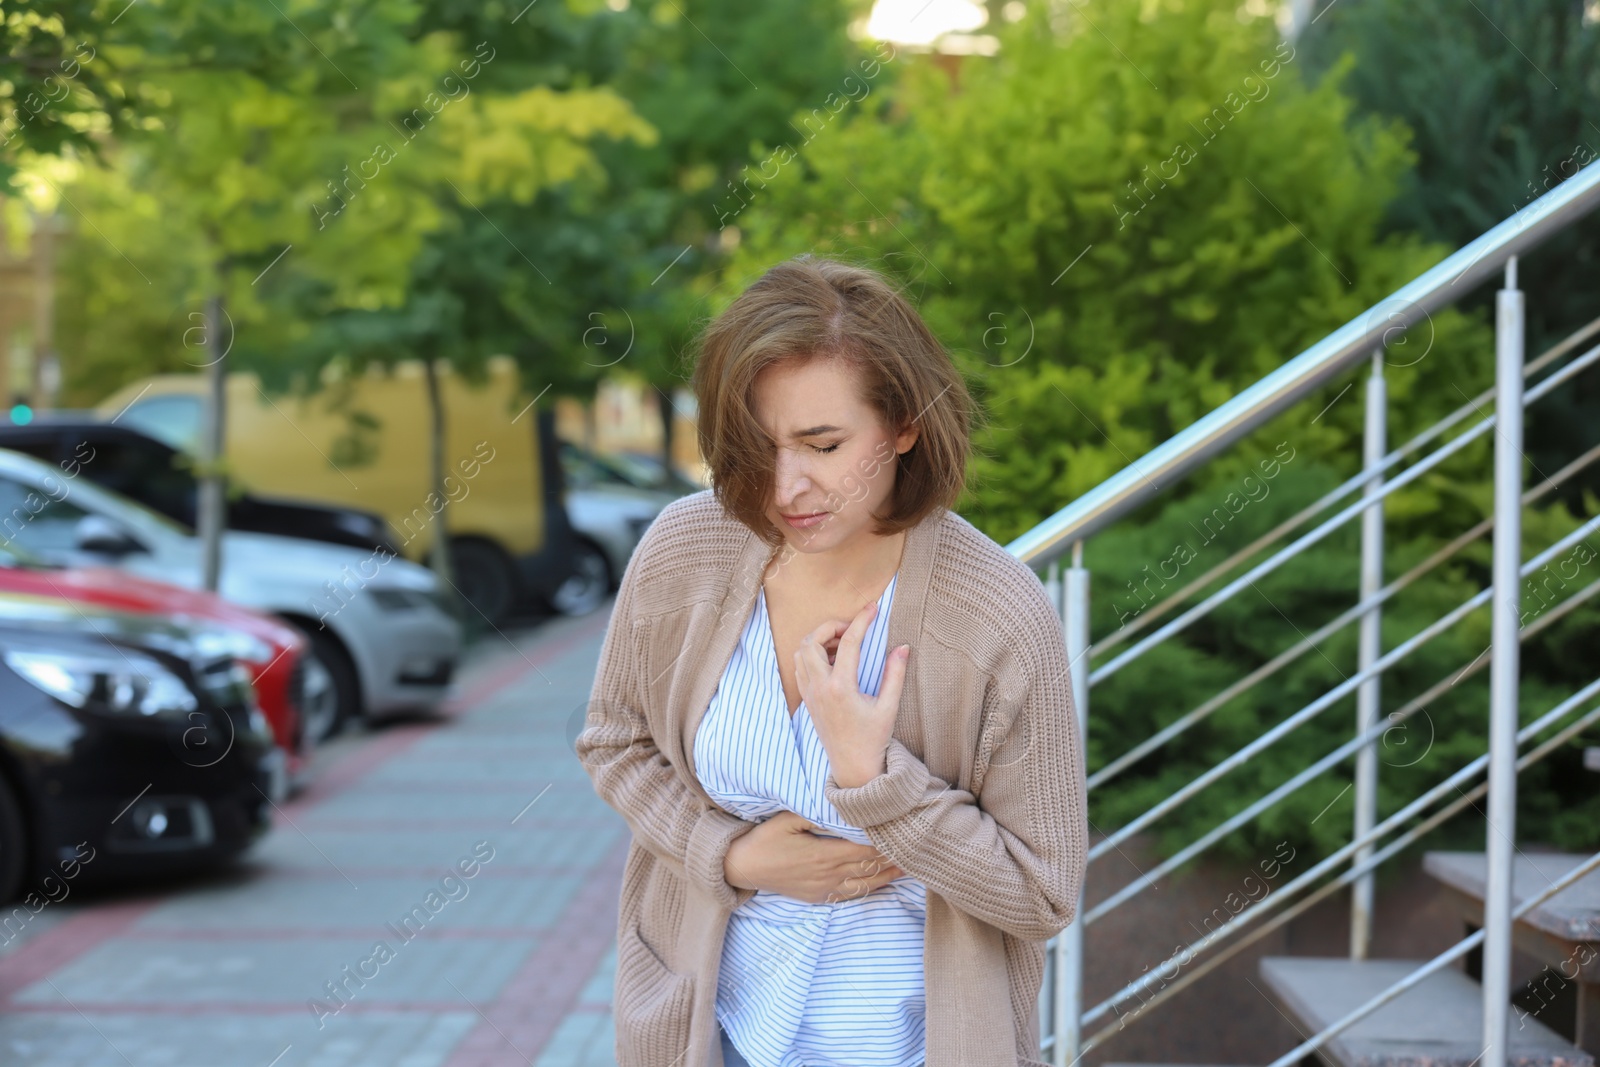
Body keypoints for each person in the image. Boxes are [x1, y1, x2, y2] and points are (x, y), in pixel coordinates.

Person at [576, 255, 1087, 1067]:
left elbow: (1042, 891)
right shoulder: (687, 548)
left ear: (904, 425)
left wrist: (876, 779)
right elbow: (616, 739)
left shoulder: (995, 612)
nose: (786, 487)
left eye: (823, 444)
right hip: (714, 1033)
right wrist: (732, 855)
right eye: (757, 446)